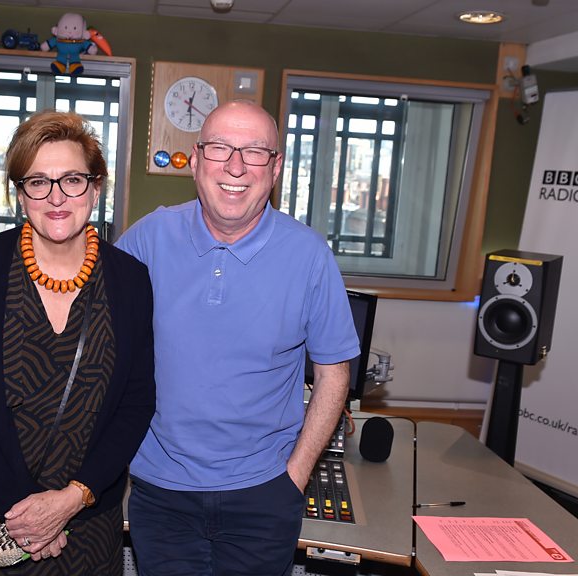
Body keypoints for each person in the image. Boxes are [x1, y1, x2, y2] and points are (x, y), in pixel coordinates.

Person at [115, 100, 359, 576]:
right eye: (220, 148)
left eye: (254, 152)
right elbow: (86, 320)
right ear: (196, 159)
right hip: (161, 493)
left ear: (276, 168)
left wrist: (295, 477)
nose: (235, 166)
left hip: (264, 493)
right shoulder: (148, 238)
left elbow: (334, 372)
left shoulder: (309, 255)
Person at [0, 110, 156, 575]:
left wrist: (72, 499)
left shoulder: (130, 281)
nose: (56, 197)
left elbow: (136, 401)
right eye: (38, 182)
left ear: (96, 188)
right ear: (20, 193)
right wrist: (27, 513)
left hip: (84, 527)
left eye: (72, 180)